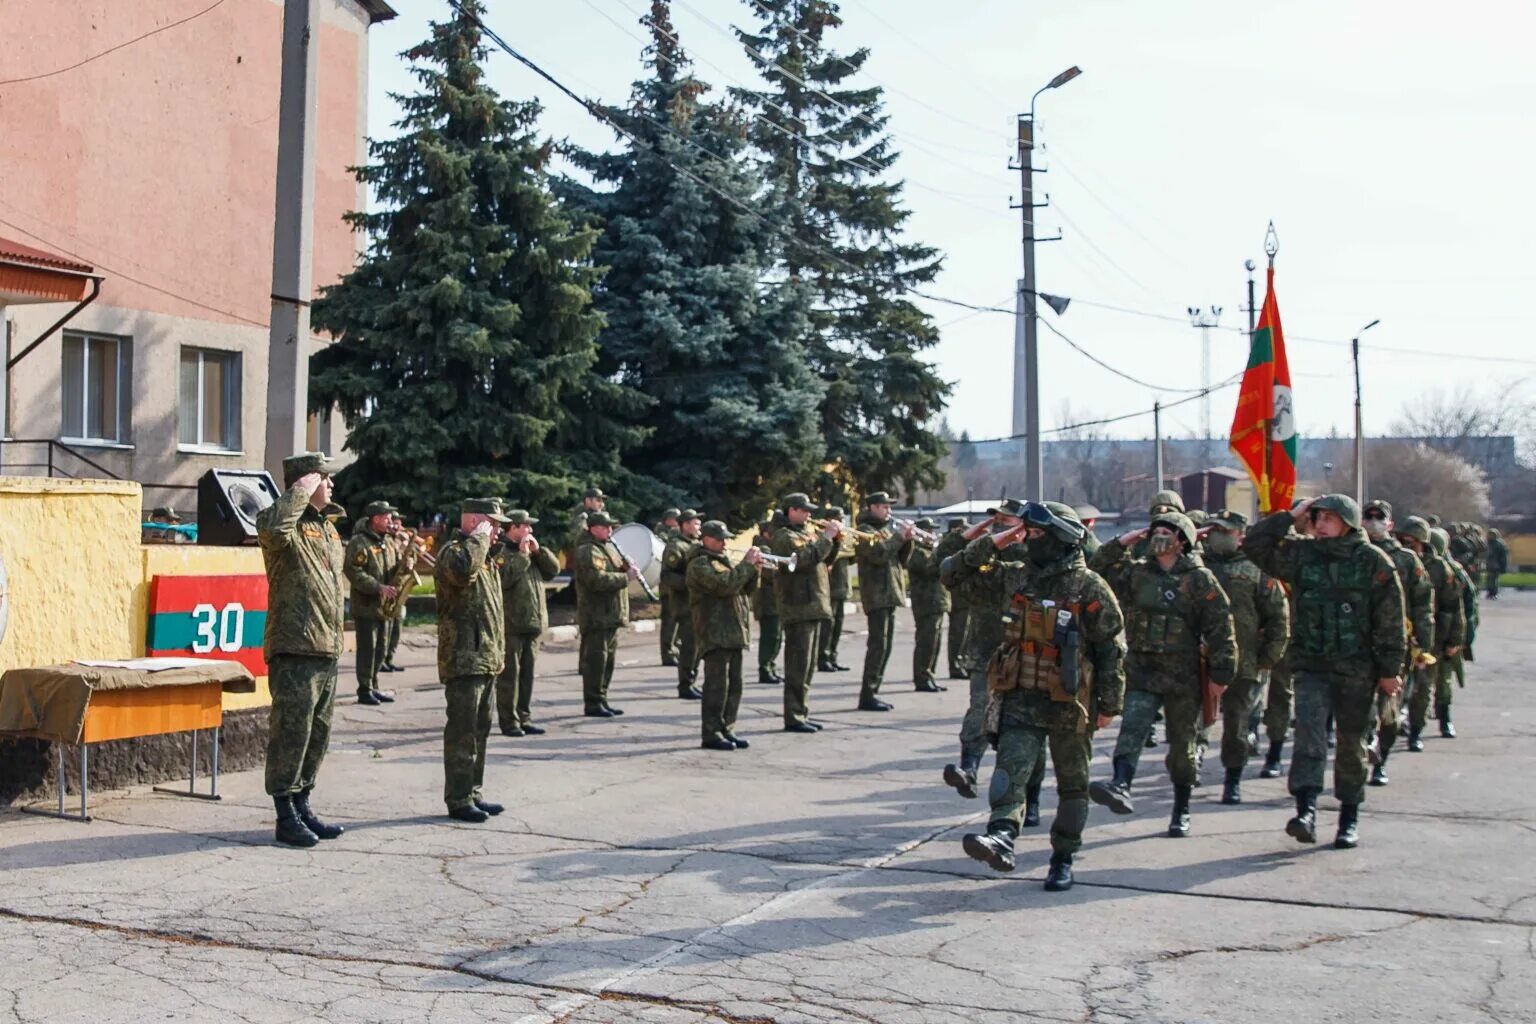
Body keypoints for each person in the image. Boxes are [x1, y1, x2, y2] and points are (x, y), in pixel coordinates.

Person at [960, 502, 1125, 891]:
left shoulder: (1089, 587)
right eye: (1028, 534)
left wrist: (1110, 705)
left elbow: (1111, 649)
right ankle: (1001, 835)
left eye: (1036, 535)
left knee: (1073, 783)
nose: (1029, 541)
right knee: (1011, 770)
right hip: (1021, 695)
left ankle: (1063, 857)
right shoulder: (1017, 578)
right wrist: (998, 540)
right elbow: (955, 573)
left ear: (1060, 539)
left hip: (1072, 701)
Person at [1244, 495, 1406, 849]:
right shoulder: (1303, 555)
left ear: (1347, 521)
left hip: (1357, 669)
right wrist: (1290, 515)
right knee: (1308, 739)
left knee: (1351, 744)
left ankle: (1349, 817)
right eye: (1317, 517)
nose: (1320, 523)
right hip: (1312, 666)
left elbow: (1390, 622)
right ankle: (1306, 812)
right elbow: (1255, 545)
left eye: (1329, 517)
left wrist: (1391, 670)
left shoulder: (1373, 562)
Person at [1088, 511, 1237, 838]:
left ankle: (1181, 809)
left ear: (1182, 540)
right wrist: (1122, 542)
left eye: (1166, 531)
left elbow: (1221, 627)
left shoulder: (1199, 579)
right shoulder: (1138, 574)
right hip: (1143, 671)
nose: (1159, 536)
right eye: (1155, 531)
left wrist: (1221, 674)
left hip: (1183, 678)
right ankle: (1121, 783)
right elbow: (1097, 570)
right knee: (1132, 729)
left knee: (1183, 746)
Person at [256, 452, 347, 848]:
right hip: (295, 645)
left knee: (317, 733)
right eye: (324, 479)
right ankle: (284, 813)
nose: (331, 485)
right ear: (306, 482)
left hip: (327, 646)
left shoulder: (327, 528)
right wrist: (297, 494)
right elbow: (275, 532)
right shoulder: (278, 521)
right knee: (291, 733)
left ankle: (303, 802)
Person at [940, 500, 1028, 801]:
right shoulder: (982, 552)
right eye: (997, 520)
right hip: (985, 649)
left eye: (1007, 520)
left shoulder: (1034, 555)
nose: (1000, 525)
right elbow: (944, 565)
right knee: (980, 708)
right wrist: (972, 535)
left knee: (1022, 724)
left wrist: (1017, 539)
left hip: (1026, 654)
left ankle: (1026, 797)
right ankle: (969, 768)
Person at [1200, 510, 1289, 803]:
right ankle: (1188, 771)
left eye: (1224, 532)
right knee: (1191, 722)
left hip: (1244, 662)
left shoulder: (1257, 570)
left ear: (1240, 536)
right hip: (1199, 660)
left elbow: (1278, 616)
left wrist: (1269, 657)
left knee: (1236, 726)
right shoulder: (1196, 566)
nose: (1217, 536)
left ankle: (1232, 779)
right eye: (1214, 530)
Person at [435, 498, 509, 823]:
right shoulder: (454, 553)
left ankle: (473, 791)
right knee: (463, 732)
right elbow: (463, 572)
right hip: (464, 659)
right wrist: (479, 538)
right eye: (492, 524)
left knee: (481, 730)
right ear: (476, 521)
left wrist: (498, 654)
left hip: (486, 659)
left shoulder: (488, 559)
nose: (498, 530)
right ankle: (459, 798)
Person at [1362, 500, 1433, 786]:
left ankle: (1382, 759)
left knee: (1389, 710)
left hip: (1396, 646)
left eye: (1380, 517)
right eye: (1369, 516)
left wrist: (1423, 645)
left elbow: (1423, 603)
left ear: (1390, 524)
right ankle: (1365, 747)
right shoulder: (1353, 555)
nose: (1374, 521)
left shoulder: (1405, 560)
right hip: (1358, 646)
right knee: (1358, 709)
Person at [770, 493, 841, 732]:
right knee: (798, 666)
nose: (809, 514)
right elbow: (801, 560)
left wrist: (835, 540)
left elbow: (823, 558)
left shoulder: (806, 533)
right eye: (804, 510)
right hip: (798, 606)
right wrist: (827, 537)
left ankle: (801, 712)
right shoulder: (784, 536)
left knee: (809, 666)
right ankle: (793, 716)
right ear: (791, 510)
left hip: (813, 605)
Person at [688, 521, 762, 750]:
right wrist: (746, 566)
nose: (724, 543)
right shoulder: (700, 564)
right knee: (717, 686)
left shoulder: (723, 561)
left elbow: (744, 590)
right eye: (719, 539)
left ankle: (727, 728)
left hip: (732, 631)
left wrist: (754, 570)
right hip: (714, 631)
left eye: (725, 538)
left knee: (734, 686)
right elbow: (724, 586)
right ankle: (711, 733)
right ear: (706, 539)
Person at [1395, 517, 1463, 750]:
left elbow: (1453, 606)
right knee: (1393, 688)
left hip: (1430, 639)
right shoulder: (1395, 561)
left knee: (1423, 689)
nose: (1406, 544)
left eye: (1411, 541)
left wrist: (1454, 640)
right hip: (1395, 636)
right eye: (1403, 540)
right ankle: (1388, 729)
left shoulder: (1440, 569)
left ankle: (1416, 731)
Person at [494, 509, 560, 738]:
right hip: (511, 626)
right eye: (525, 526)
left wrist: (538, 552)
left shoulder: (532, 553)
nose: (529, 530)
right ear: (511, 528)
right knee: (509, 677)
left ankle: (524, 717)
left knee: (527, 676)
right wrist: (522, 555)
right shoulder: (501, 553)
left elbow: (553, 571)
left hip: (533, 624)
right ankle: (509, 721)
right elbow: (504, 580)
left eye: (530, 526)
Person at [853, 492, 915, 711]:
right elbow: (878, 555)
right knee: (877, 645)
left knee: (886, 646)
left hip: (890, 593)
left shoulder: (886, 530)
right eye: (885, 507)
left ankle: (874, 691)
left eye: (889, 507)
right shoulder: (864, 531)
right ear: (872, 507)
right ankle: (867, 695)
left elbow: (901, 560)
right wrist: (898, 537)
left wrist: (908, 540)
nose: (889, 511)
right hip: (876, 593)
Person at [574, 510, 639, 717]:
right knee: (596, 662)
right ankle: (593, 702)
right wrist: (625, 577)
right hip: (597, 616)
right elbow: (596, 580)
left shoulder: (606, 548)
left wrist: (625, 566)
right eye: (606, 527)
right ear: (594, 529)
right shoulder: (588, 550)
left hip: (610, 615)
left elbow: (615, 571)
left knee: (607, 662)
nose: (611, 530)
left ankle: (602, 698)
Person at [344, 500, 402, 707]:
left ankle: (374, 685)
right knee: (368, 650)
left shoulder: (388, 542)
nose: (390, 522)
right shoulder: (359, 543)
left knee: (381, 649)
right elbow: (353, 571)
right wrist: (378, 587)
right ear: (376, 519)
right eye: (386, 518)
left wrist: (405, 567)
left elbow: (393, 570)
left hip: (385, 607)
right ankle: (365, 689)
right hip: (367, 606)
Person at [1435, 527, 1477, 732]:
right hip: (1420, 635)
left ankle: (1445, 718)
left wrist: (1460, 638)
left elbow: (1467, 607)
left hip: (1445, 634)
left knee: (1444, 679)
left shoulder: (1453, 571)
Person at [661, 510, 704, 700]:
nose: (699, 527)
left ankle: (692, 680)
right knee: (689, 647)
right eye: (696, 523)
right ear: (685, 525)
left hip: (700, 604)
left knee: (697, 647)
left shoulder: (696, 545)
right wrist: (690, 582)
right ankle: (685, 684)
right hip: (685, 605)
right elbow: (667, 576)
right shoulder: (676, 546)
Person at [906, 517, 949, 693]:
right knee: (925, 642)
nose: (932, 534)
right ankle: (921, 678)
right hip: (925, 603)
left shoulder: (929, 551)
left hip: (936, 602)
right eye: (929, 531)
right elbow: (931, 569)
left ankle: (929, 674)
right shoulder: (918, 552)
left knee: (935, 642)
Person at [818, 505, 854, 673]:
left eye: (841, 519)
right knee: (827, 626)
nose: (841, 522)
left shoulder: (843, 536)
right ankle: (823, 658)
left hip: (842, 586)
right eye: (837, 519)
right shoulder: (824, 537)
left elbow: (851, 557)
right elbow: (828, 557)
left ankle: (833, 656)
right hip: (830, 586)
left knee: (838, 625)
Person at [935, 517, 971, 680]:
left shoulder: (964, 545)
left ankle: (962, 663)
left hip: (965, 595)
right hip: (956, 594)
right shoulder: (948, 546)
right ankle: (954, 665)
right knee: (957, 632)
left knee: (965, 632)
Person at [752, 514, 784, 685]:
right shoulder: (762, 549)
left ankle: (770, 666)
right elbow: (769, 573)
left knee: (776, 637)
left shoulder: (771, 548)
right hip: (767, 601)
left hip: (774, 600)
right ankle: (764, 669)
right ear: (766, 533)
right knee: (770, 637)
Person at [379, 512, 409, 674]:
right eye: (393, 522)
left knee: (396, 629)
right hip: (387, 592)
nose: (396, 525)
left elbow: (405, 566)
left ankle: (389, 658)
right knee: (386, 632)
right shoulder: (387, 541)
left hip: (399, 591)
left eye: (398, 523)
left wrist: (408, 553)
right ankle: (382, 660)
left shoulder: (398, 540)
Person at [656, 507, 682, 666]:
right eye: (676, 519)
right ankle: (667, 652)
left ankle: (676, 649)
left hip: (676, 587)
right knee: (669, 622)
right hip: (668, 587)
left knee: (677, 621)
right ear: (668, 520)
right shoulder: (663, 536)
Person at [568, 486, 607, 551]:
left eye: (602, 501)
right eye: (598, 500)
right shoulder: (581, 512)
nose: (602, 504)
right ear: (588, 501)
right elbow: (575, 534)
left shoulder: (598, 512)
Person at [1486, 528, 1509, 599]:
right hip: (1489, 564)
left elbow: (1503, 556)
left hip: (1496, 565)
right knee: (1489, 579)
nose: (1490, 536)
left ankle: (1493, 593)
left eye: (1492, 534)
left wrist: (1503, 566)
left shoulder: (1499, 544)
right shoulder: (1487, 543)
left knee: (1493, 580)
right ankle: (1490, 592)